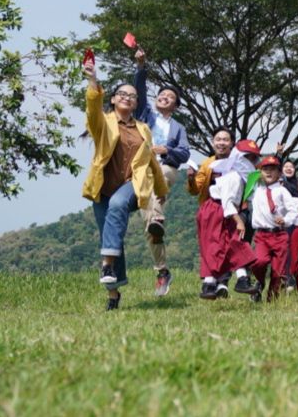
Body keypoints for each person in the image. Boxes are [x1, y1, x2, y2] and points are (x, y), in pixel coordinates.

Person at [82, 61, 169, 310]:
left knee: (119, 204)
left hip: (132, 185)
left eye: (133, 96)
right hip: (102, 189)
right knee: (111, 236)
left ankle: (106, 265)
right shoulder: (103, 123)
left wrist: (161, 191)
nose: (128, 98)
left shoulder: (143, 129)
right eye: (123, 94)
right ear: (113, 99)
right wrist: (92, 80)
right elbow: (92, 108)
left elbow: (151, 161)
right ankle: (113, 292)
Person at [132, 48, 190, 297]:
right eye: (162, 94)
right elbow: (140, 92)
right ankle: (162, 271)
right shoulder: (145, 115)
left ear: (175, 106)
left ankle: (156, 219)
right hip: (141, 168)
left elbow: (184, 153)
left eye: (170, 97)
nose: (164, 97)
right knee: (150, 227)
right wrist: (141, 67)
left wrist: (166, 149)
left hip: (165, 169)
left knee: (156, 177)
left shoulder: (177, 127)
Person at [195, 139, 260, 300]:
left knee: (228, 244)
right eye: (249, 158)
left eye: (254, 158)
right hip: (217, 211)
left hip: (221, 211)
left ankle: (228, 280)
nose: (252, 162)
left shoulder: (239, 176)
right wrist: (238, 221)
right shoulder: (234, 177)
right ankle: (216, 282)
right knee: (222, 244)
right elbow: (227, 202)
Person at [186, 126, 235, 298]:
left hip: (232, 210)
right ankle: (210, 281)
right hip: (210, 208)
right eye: (218, 139)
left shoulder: (237, 163)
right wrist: (191, 179)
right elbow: (195, 190)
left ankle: (222, 281)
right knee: (209, 245)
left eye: (225, 139)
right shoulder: (207, 164)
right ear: (213, 142)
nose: (221, 143)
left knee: (227, 245)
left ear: (231, 143)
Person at [246, 155, 294, 302]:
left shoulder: (282, 191)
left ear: (279, 173)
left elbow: (293, 210)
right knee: (259, 262)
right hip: (262, 235)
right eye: (265, 169)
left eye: (272, 169)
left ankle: (272, 299)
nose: (268, 172)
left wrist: (285, 220)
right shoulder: (256, 190)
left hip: (279, 235)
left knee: (278, 271)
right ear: (260, 172)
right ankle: (259, 283)